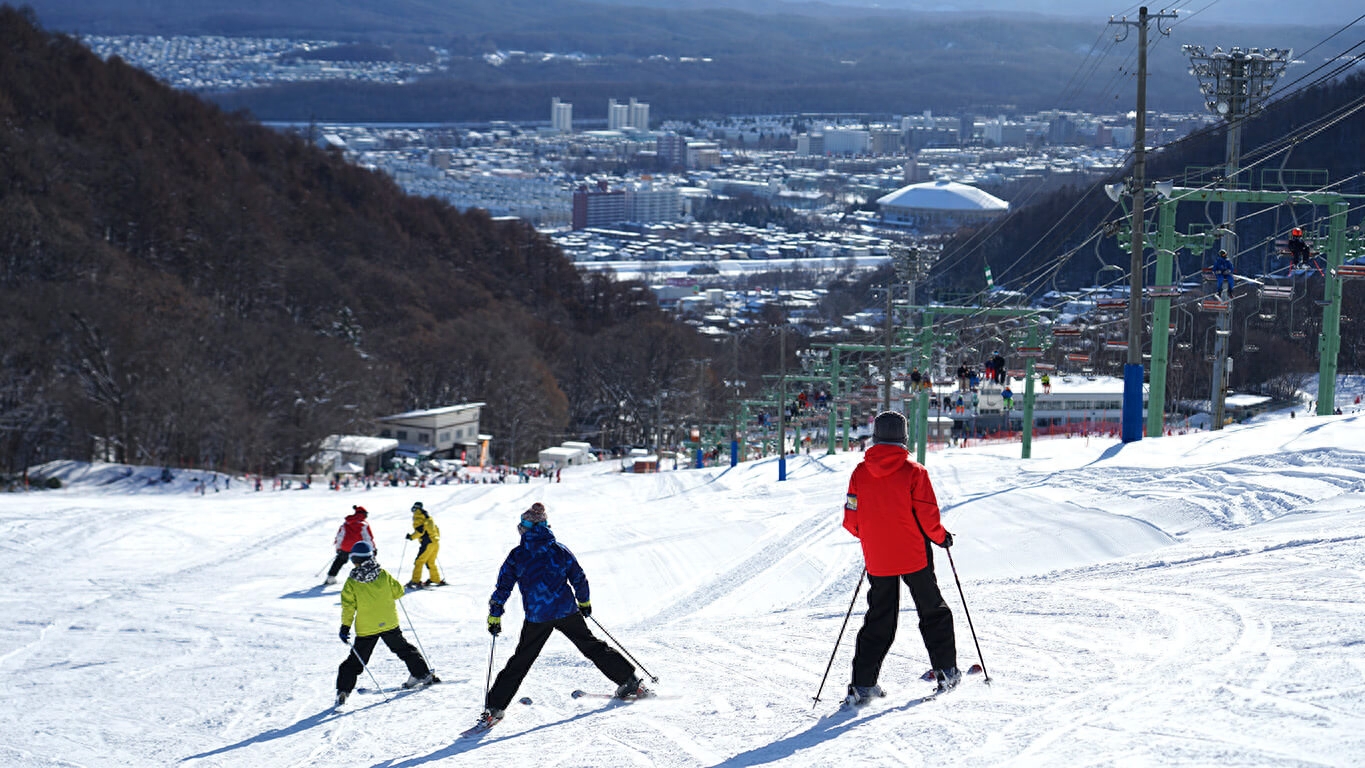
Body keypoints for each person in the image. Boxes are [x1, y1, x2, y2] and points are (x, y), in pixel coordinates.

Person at [477, 502, 642, 730]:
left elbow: (503, 587)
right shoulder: (559, 550)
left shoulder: (518, 555)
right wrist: (584, 602)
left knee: (521, 660)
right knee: (591, 645)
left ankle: (495, 707)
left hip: (538, 616)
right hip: (566, 610)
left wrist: (495, 614)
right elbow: (579, 577)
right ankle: (629, 681)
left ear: (523, 529)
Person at [842, 411, 959, 704]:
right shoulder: (914, 472)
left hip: (878, 558)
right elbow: (927, 516)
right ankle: (945, 670)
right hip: (914, 555)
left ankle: (862, 685)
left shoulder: (859, 472)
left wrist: (872, 537)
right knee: (933, 611)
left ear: (875, 437)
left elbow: (851, 518)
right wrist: (941, 537)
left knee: (879, 619)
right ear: (904, 438)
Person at [334, 542, 436, 706]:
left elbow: (348, 606)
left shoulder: (352, 582)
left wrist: (345, 627)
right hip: (389, 623)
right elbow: (398, 591)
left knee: (355, 661)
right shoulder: (382, 574)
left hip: (367, 628)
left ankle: (343, 690)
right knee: (404, 649)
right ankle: (422, 674)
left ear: (354, 560)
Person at [325, 505, 375, 586]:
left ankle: (331, 577)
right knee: (363, 562)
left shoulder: (346, 523)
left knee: (339, 561)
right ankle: (366, 578)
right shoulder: (364, 524)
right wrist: (372, 549)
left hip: (345, 546)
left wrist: (338, 548)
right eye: (366, 514)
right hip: (359, 548)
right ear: (363, 514)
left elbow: (340, 536)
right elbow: (368, 538)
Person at [406, 502, 445, 588]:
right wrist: (435, 539)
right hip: (435, 542)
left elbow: (420, 531)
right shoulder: (428, 517)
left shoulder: (418, 517)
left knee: (419, 561)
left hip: (427, 543)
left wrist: (411, 537)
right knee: (430, 562)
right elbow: (436, 528)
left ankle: (415, 581)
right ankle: (435, 579)